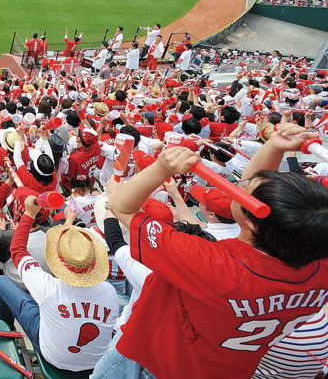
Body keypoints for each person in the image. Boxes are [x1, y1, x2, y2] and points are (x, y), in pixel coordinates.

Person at [94, 123, 328, 379]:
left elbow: (122, 207)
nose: (238, 186)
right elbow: (257, 202)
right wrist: (273, 147)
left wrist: (161, 168)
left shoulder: (210, 262)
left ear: (251, 223)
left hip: (156, 362)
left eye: (244, 188)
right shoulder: (318, 262)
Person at [0, 195, 118, 371]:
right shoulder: (109, 292)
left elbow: (17, 250)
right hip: (94, 365)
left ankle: (2, 338)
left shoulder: (49, 288)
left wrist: (28, 213)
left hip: (52, 355)